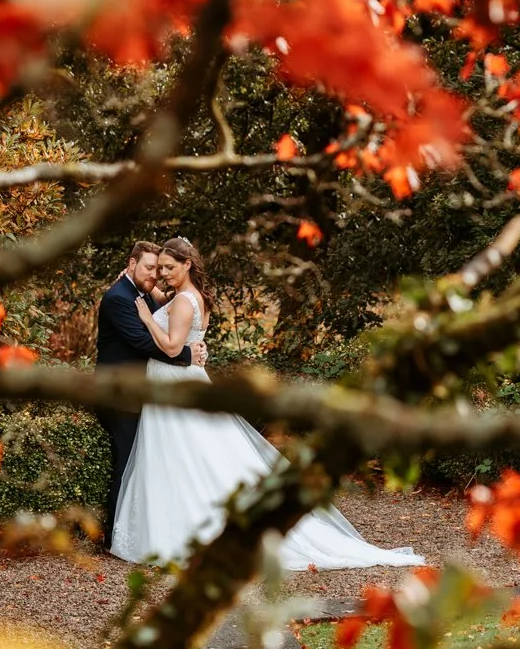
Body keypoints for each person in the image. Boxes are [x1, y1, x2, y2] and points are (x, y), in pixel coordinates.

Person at [107, 236, 423, 570]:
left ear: (187, 265)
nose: (163, 275)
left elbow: (172, 347)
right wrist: (133, 286)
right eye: (161, 269)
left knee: (183, 458)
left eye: (170, 268)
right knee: (188, 459)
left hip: (175, 384)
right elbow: (163, 305)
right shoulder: (189, 297)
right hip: (179, 382)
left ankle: (187, 532)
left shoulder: (184, 301)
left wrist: (144, 317)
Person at [94, 241, 203, 538]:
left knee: (149, 460)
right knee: (127, 461)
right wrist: (187, 356)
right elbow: (143, 341)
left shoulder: (144, 294)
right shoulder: (120, 298)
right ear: (131, 264)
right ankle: (114, 534)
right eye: (150, 268)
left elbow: (166, 320)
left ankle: (145, 529)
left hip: (144, 392)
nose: (156, 274)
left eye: (161, 269)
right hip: (120, 393)